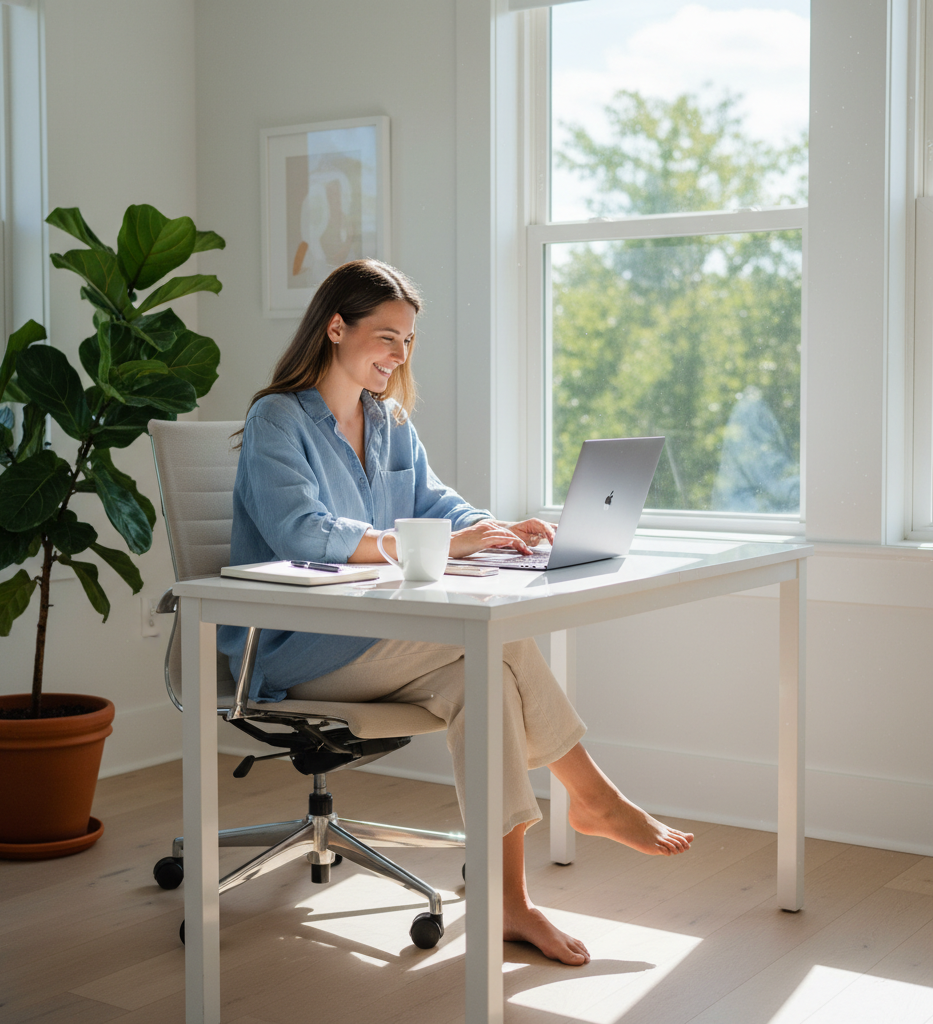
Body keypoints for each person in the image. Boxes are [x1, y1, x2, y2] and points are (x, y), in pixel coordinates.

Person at [218, 259, 693, 966]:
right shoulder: (276, 419)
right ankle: (594, 797)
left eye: (407, 341)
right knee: (492, 642)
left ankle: (510, 902)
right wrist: (446, 542)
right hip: (292, 647)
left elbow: (438, 503)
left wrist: (496, 529)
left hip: (375, 638)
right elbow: (302, 532)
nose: (398, 355)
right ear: (336, 327)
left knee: (489, 675)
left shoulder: (387, 421)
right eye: (386, 336)